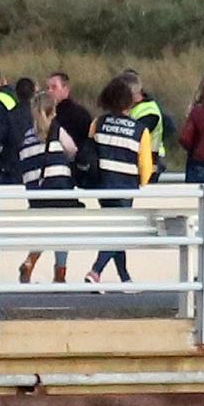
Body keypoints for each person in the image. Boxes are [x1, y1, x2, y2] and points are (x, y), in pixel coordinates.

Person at [84, 75, 153, 286]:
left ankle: (125, 279)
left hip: (102, 185)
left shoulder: (98, 122)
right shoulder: (139, 130)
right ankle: (95, 272)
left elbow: (89, 151)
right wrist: (141, 181)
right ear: (129, 101)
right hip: (125, 187)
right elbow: (146, 168)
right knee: (119, 232)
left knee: (115, 231)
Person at [18, 91, 81, 285]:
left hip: (36, 192)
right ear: (53, 109)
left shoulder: (27, 136)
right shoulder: (57, 130)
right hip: (59, 188)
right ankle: (60, 272)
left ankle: (31, 261)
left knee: (45, 229)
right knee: (64, 230)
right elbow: (72, 150)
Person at [121, 70, 173, 181]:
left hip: (146, 164)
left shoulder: (149, 112)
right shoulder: (134, 107)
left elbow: (132, 134)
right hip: (135, 162)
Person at [46, 71, 92, 153]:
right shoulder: (45, 114)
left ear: (66, 89)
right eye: (48, 88)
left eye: (54, 87)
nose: (49, 91)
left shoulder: (79, 114)